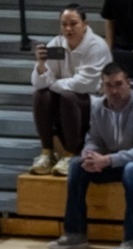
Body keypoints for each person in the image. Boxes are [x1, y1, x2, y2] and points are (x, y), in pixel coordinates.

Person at [48, 61, 133, 249]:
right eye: (109, 85)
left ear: (128, 83)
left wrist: (107, 160)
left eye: (118, 84)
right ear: (102, 85)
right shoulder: (98, 106)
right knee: (75, 165)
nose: (114, 90)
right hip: (119, 161)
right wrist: (89, 154)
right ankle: (75, 233)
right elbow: (94, 139)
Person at [30, 4, 111, 177]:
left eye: (73, 24)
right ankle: (47, 152)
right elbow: (38, 83)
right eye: (64, 24)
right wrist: (41, 64)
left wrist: (53, 83)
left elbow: (85, 84)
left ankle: (71, 154)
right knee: (41, 96)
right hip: (67, 101)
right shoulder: (57, 44)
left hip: (96, 102)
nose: (68, 28)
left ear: (84, 24)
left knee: (67, 96)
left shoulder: (97, 46)